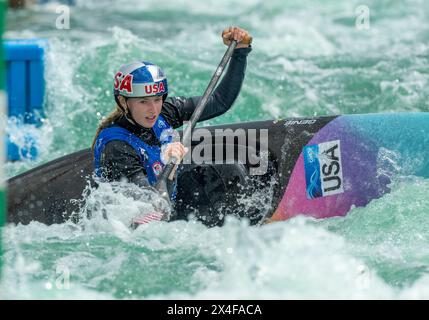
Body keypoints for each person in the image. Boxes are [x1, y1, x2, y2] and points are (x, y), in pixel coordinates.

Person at [92, 26, 252, 217]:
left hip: (171, 198)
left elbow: (219, 102)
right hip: (142, 221)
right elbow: (153, 207)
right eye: (143, 102)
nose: (153, 110)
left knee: (228, 170)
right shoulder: (117, 146)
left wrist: (240, 53)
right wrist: (170, 165)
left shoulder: (164, 112)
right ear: (123, 102)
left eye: (158, 100)